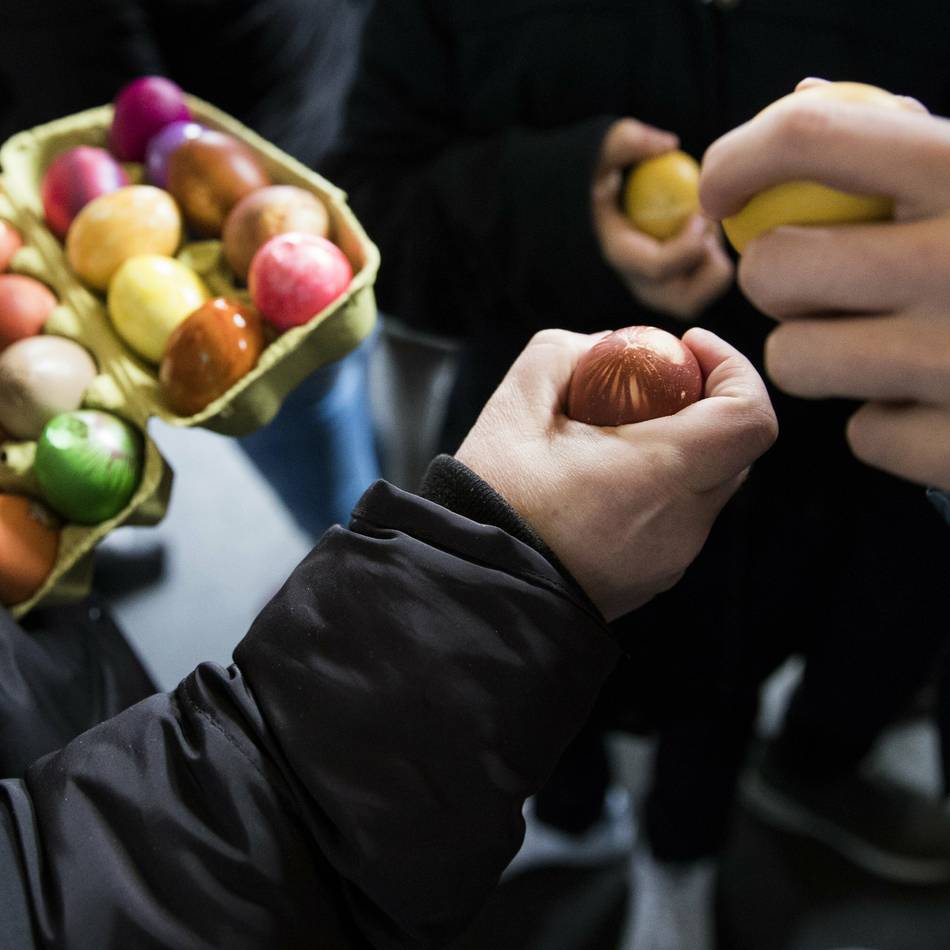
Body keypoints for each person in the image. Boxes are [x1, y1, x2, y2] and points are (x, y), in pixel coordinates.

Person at [328, 6, 950, 947]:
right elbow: (376, 211)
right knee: (544, 686)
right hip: (536, 451)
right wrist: (553, 202)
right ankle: (575, 821)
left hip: (796, 471)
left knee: (720, 697)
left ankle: (679, 859)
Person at [0, 327, 777, 949]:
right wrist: (490, 564)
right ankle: (578, 821)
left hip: (71, 724)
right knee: (566, 725)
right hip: (137, 785)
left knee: (696, 696)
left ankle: (670, 859)